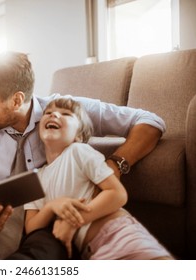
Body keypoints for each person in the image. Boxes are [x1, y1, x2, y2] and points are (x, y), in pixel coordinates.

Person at [0, 51, 166, 260]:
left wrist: (114, 165)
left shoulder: (63, 112)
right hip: (0, 235)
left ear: (16, 100)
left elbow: (150, 121)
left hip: (54, 232)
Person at [24, 96, 173, 259]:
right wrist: (51, 206)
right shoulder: (35, 178)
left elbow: (118, 194)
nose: (54, 115)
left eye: (66, 114)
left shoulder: (78, 151)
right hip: (88, 252)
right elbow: (31, 228)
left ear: (79, 136)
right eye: (49, 112)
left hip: (117, 235)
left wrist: (73, 222)